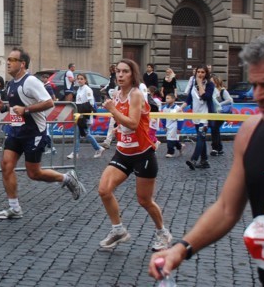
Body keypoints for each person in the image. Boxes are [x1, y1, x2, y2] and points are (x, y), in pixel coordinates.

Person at [149, 34, 264, 286]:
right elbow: (226, 208)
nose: (259, 95)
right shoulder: (249, 133)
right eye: (255, 85)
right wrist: (180, 249)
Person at [0, 47, 85, 219]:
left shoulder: (31, 81)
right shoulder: (12, 83)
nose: (8, 62)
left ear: (22, 64)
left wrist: (26, 110)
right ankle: (14, 208)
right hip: (16, 131)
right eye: (8, 59)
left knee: (34, 173)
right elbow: (17, 107)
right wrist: (4, 107)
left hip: (34, 132)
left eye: (12, 60)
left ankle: (67, 178)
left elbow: (49, 102)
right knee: (6, 165)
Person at [98, 59, 171, 251]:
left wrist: (113, 111)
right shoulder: (116, 94)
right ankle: (118, 229)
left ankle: (163, 232)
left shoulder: (136, 94)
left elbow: (133, 123)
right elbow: (121, 123)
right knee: (104, 190)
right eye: (118, 72)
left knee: (144, 200)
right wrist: (114, 131)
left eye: (125, 72)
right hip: (123, 152)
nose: (120, 75)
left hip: (142, 154)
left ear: (133, 74)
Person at [182, 65, 215, 170]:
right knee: (202, 138)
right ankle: (204, 161)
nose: (200, 74)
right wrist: (180, 108)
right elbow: (189, 99)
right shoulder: (193, 84)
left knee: (201, 137)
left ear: (206, 74)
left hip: (205, 115)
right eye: (198, 72)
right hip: (196, 115)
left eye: (202, 72)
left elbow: (206, 97)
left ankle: (194, 159)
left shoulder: (210, 85)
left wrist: (200, 83)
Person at [69, 73, 105, 159]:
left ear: (85, 80)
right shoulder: (79, 89)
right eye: (78, 79)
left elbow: (91, 103)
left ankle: (98, 148)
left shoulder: (87, 89)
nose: (80, 80)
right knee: (79, 134)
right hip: (79, 115)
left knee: (85, 134)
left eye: (81, 79)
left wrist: (82, 111)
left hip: (85, 116)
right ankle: (76, 152)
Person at [209, 75, 232, 157]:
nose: (211, 83)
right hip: (215, 113)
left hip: (222, 113)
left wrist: (219, 104)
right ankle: (219, 148)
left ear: (216, 82)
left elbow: (230, 100)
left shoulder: (222, 91)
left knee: (215, 128)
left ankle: (215, 148)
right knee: (215, 129)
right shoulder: (211, 90)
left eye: (212, 82)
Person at [161, 93, 185, 158]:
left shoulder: (178, 108)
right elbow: (163, 117)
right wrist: (164, 126)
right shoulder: (164, 108)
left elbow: (180, 119)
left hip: (175, 125)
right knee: (173, 139)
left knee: (170, 139)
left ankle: (170, 152)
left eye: (168, 98)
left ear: (173, 99)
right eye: (166, 98)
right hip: (168, 125)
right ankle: (180, 146)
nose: (166, 100)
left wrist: (179, 128)